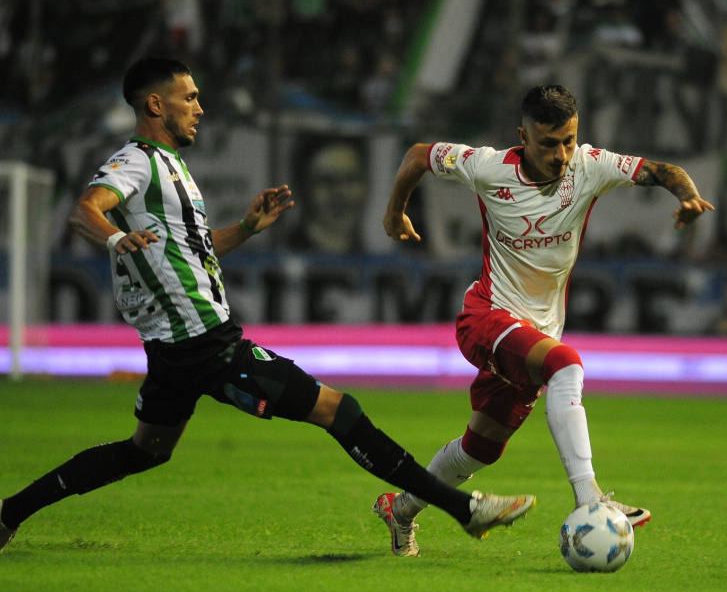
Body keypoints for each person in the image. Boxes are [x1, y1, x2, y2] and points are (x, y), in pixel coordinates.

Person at [0, 57, 535, 556]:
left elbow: (194, 248)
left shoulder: (172, 168)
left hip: (174, 350)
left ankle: (8, 514)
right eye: (189, 97)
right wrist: (116, 240)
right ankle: (462, 508)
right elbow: (83, 212)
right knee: (338, 410)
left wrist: (247, 229)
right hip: (206, 342)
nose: (200, 107)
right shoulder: (137, 163)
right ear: (156, 106)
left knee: (146, 451)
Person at [375, 84, 714, 556]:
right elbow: (417, 155)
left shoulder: (590, 166)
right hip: (487, 317)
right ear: (523, 136)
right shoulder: (488, 167)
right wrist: (394, 214)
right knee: (567, 365)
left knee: (480, 449)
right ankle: (590, 499)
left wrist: (689, 195)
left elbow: (664, 171)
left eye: (569, 141)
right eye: (549, 143)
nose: (561, 155)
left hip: (535, 333)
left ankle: (403, 509)